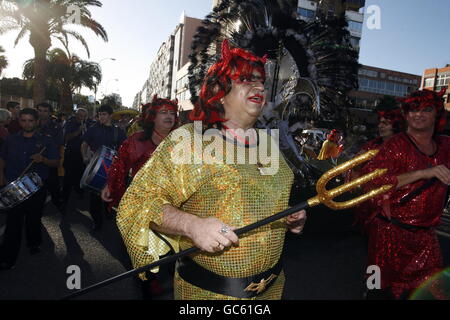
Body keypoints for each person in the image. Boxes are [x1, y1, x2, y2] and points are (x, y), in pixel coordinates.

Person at [116, 39, 306, 300]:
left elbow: (263, 201)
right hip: (209, 295)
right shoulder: (190, 140)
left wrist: (289, 218)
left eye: (261, 80)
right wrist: (190, 225)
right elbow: (139, 201)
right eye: (245, 79)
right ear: (218, 89)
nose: (259, 86)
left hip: (272, 290)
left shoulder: (271, 143)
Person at [361, 88, 450, 299]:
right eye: (413, 109)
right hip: (388, 234)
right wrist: (424, 173)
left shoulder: (446, 146)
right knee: (377, 287)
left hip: (426, 237)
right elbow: (374, 182)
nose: (418, 114)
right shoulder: (394, 145)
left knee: (433, 291)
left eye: (427, 109)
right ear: (406, 114)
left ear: (437, 114)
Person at [101, 95, 179, 299]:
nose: (169, 116)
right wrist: (110, 186)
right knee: (143, 252)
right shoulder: (135, 141)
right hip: (142, 205)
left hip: (174, 205)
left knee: (173, 252)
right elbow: (119, 165)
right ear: (152, 117)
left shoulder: (182, 141)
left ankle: (173, 279)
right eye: (164, 112)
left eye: (172, 113)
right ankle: (148, 284)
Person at [0, 108, 59, 270]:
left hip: (36, 188)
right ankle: (7, 258)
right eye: (23, 120)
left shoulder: (46, 141)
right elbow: (2, 158)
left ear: (37, 121)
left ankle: (34, 242)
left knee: (34, 218)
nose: (27, 124)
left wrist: (43, 159)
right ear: (19, 122)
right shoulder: (11, 140)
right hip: (14, 187)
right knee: (13, 222)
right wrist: (1, 176)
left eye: (30, 120)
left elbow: (55, 162)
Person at [81, 104, 126, 230]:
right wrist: (85, 157)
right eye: (100, 114)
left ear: (110, 115)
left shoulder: (118, 132)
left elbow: (125, 150)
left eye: (104, 114)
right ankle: (97, 222)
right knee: (94, 200)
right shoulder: (93, 129)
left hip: (113, 169)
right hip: (96, 167)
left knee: (110, 196)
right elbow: (84, 144)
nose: (101, 117)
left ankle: (109, 212)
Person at [60, 108, 93, 212]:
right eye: (79, 116)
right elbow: (66, 138)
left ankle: (79, 193)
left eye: (84, 116)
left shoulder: (89, 123)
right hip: (72, 153)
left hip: (83, 154)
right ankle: (64, 200)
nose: (81, 118)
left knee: (81, 175)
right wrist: (78, 130)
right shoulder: (70, 123)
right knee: (68, 177)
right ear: (76, 115)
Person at [37, 102, 64, 210]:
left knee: (53, 185)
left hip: (49, 161)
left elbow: (59, 144)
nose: (42, 113)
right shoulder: (32, 124)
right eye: (40, 110)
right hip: (34, 161)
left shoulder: (56, 127)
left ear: (50, 113)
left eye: (45, 111)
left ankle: (58, 203)